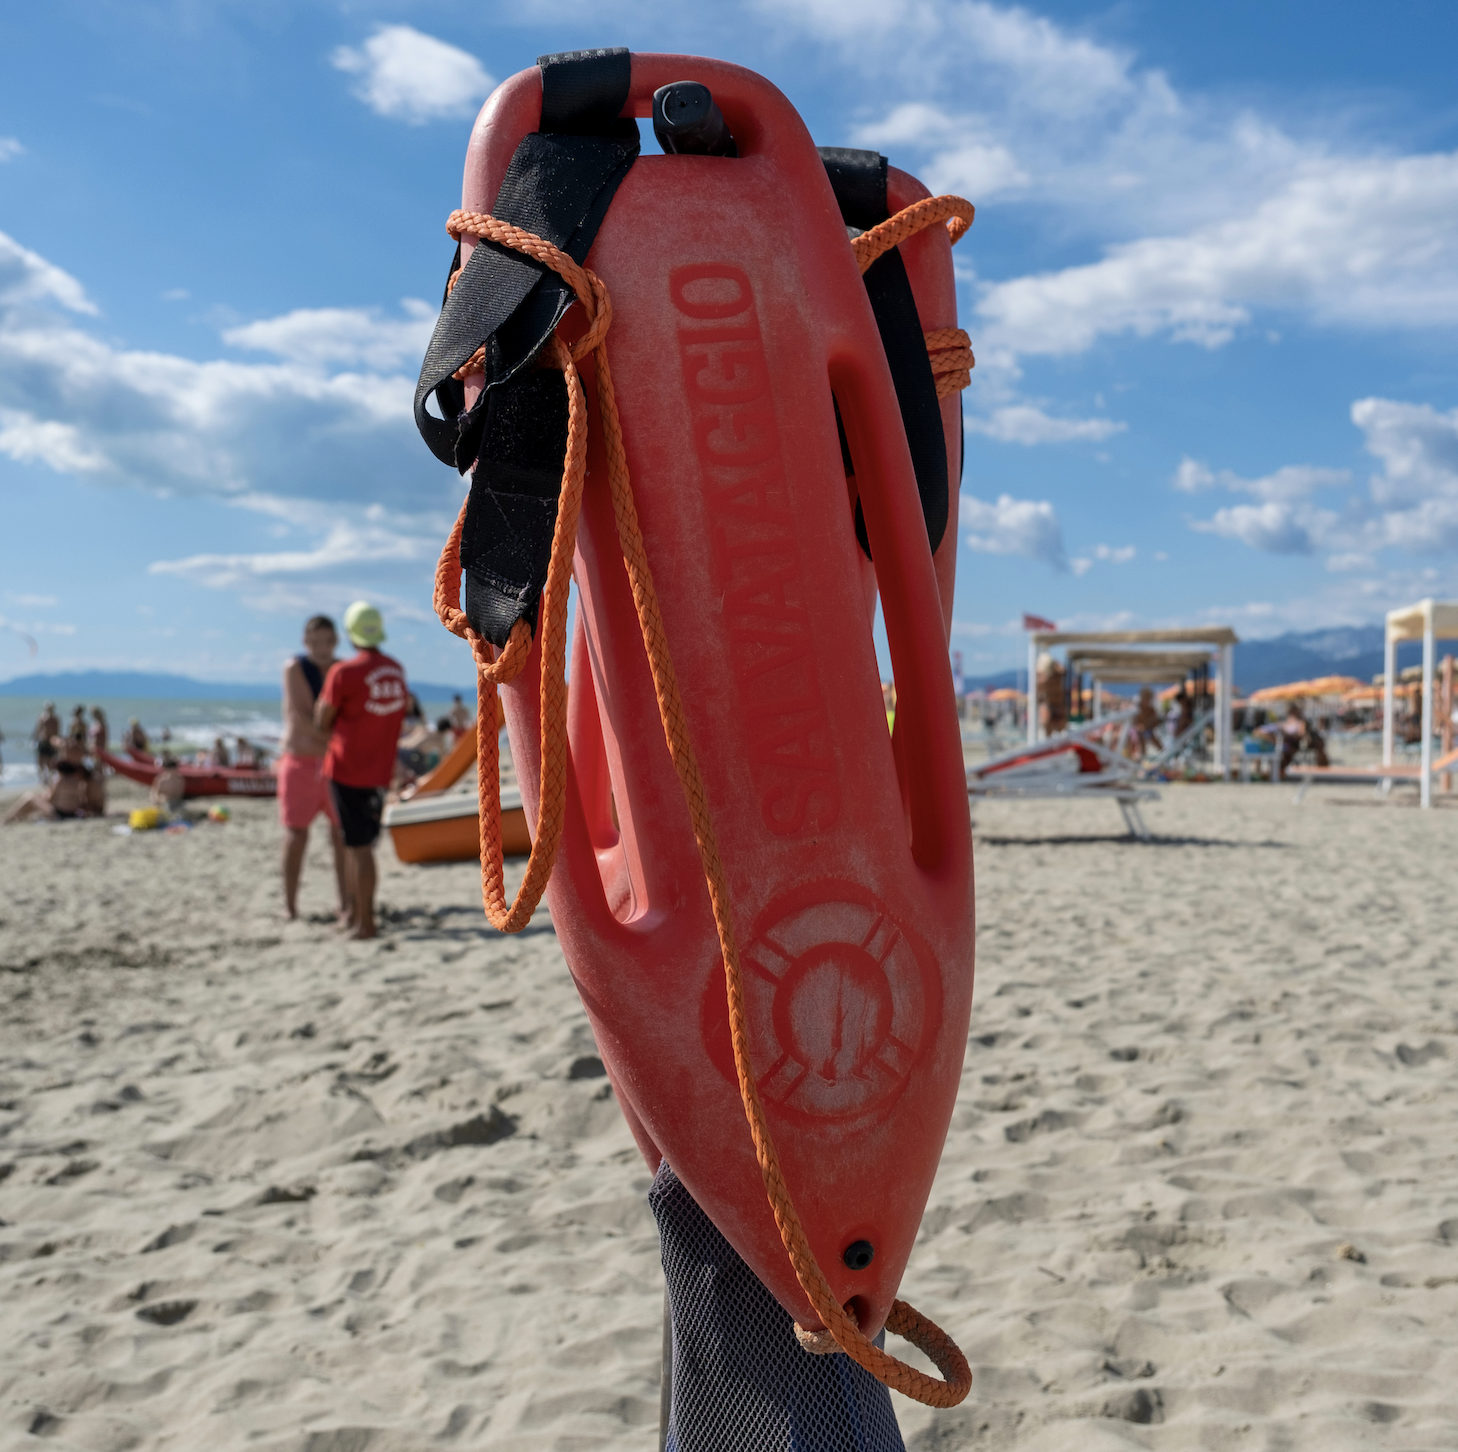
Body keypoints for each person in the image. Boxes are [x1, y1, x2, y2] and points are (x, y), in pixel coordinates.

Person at [316, 602, 408, 941]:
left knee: (359, 849)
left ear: (350, 634)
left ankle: (365, 924)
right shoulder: (396, 670)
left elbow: (322, 721)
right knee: (361, 847)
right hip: (379, 772)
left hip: (347, 771)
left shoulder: (343, 672)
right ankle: (356, 916)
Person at [278, 614, 348, 922]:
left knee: (342, 838)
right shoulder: (295, 668)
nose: (321, 648)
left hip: (334, 765)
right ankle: (290, 907)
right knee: (296, 837)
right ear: (305, 642)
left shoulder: (342, 669)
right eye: (315, 642)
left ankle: (345, 903)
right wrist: (343, 737)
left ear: (336, 642)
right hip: (300, 764)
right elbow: (306, 718)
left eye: (327, 641)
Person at [4, 760, 89, 823]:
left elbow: (50, 799)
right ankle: (15, 818)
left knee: (30, 797)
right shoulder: (78, 782)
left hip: (58, 814)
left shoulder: (60, 781)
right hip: (72, 813)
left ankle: (8, 818)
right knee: (33, 800)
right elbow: (82, 800)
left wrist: (48, 791)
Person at [33, 702, 60, 784]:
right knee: (40, 761)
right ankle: (42, 777)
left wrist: (57, 743)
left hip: (51, 742)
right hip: (43, 741)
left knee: (50, 761)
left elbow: (57, 731)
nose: (49, 709)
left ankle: (50, 777)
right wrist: (35, 739)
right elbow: (38, 729)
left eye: (50, 708)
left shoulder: (55, 719)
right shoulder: (42, 717)